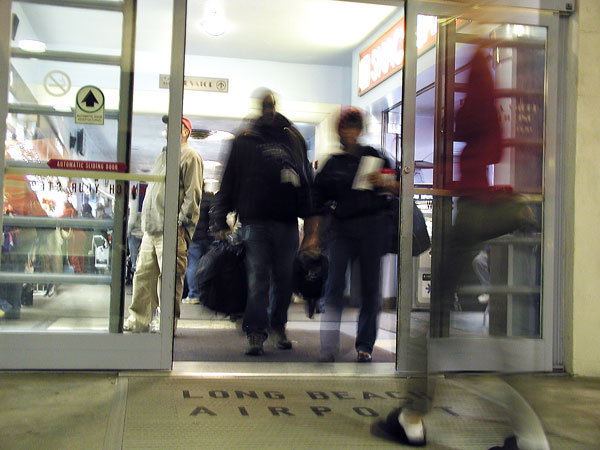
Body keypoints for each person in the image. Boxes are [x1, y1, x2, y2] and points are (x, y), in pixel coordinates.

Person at [383, 48, 548, 450]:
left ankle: (413, 417)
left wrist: (449, 119)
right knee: (497, 321)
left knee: (436, 316)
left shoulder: (478, 66)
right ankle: (531, 437)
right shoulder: (512, 74)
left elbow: (473, 123)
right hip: (497, 204)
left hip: (477, 206)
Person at [211, 89, 313, 356]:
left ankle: (278, 326)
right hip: (255, 222)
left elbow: (305, 176)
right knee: (258, 280)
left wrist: (312, 220)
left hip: (287, 221)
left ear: (275, 106)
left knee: (284, 279)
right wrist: (219, 218)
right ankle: (255, 332)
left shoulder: (292, 138)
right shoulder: (245, 140)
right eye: (264, 104)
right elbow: (229, 179)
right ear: (259, 106)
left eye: (271, 104)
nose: (268, 108)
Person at [302, 106, 391, 363]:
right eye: (345, 126)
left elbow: (394, 186)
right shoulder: (333, 164)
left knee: (370, 291)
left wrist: (384, 182)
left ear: (360, 130)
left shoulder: (376, 157)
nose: (350, 131)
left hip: (372, 229)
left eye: (354, 126)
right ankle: (328, 345)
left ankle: (365, 346)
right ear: (339, 130)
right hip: (341, 230)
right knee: (334, 288)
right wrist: (313, 234)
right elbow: (317, 200)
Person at [123, 115, 203, 333]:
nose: (167, 131)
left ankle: (167, 322)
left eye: (172, 127)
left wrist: (180, 223)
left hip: (171, 229)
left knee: (168, 278)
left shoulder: (190, 156)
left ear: (185, 131)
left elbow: (193, 194)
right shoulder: (164, 155)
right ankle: (139, 319)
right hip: (152, 228)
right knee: (143, 276)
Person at [182, 189, 215, 304]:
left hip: (195, 237)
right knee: (208, 266)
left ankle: (194, 295)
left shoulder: (191, 198)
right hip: (208, 237)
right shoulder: (209, 197)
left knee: (193, 266)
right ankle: (208, 293)